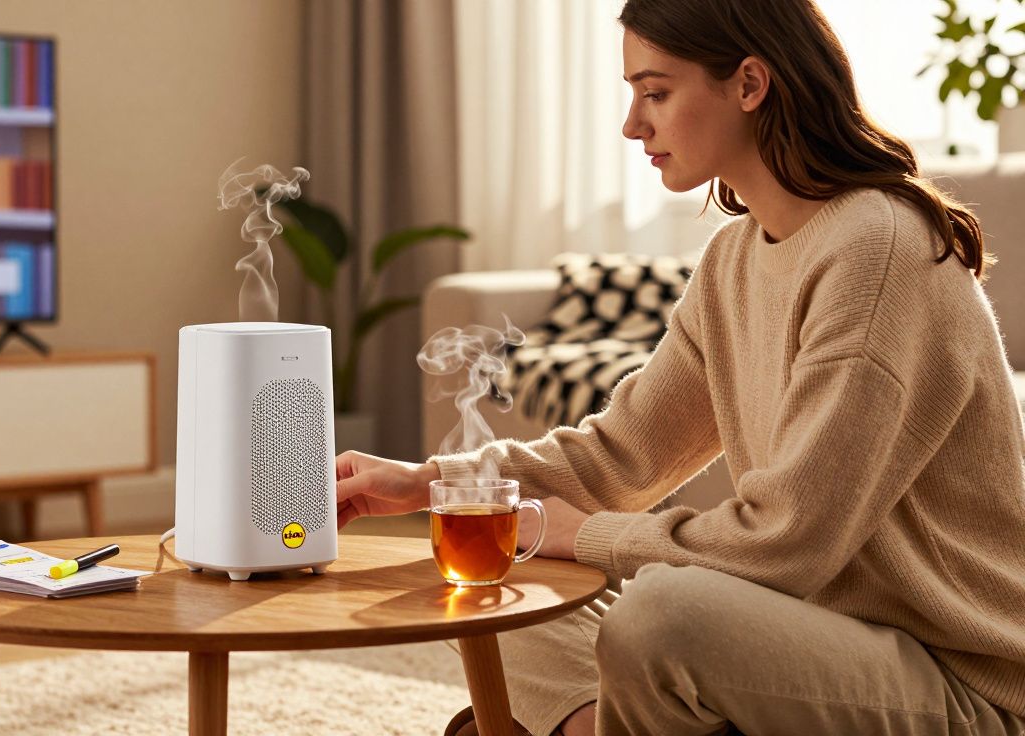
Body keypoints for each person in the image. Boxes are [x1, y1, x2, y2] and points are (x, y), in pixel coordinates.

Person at [334, 1, 1025, 734]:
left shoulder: (875, 251)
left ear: (750, 83)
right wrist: (432, 485)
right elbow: (619, 458)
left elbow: (786, 542)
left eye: (655, 93)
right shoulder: (734, 259)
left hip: (959, 684)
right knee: (501, 573)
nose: (633, 124)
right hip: (803, 642)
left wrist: (576, 532)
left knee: (664, 617)